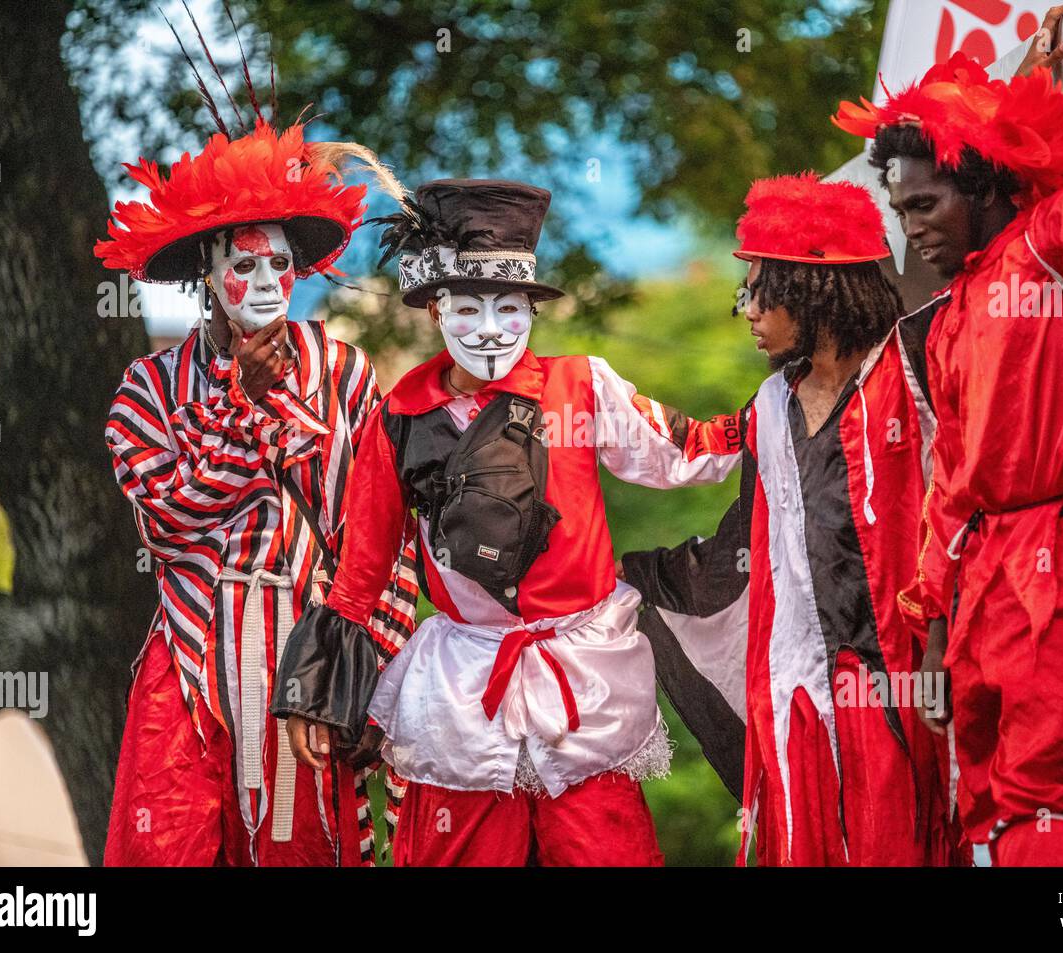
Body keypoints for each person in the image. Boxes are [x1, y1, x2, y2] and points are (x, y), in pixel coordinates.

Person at [833, 0, 1063, 866]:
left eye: (925, 202)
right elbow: (951, 486)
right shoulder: (957, 307)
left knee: (1060, 789)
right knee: (992, 805)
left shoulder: (1059, 235)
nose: (911, 225)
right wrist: (932, 639)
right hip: (980, 586)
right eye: (900, 209)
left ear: (981, 183)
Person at [272, 178, 745, 866]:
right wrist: (310, 692)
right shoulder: (398, 420)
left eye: (509, 306)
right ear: (437, 312)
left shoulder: (581, 386)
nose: (490, 327)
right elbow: (362, 570)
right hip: (465, 684)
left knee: (603, 851)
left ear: (531, 310)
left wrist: (785, 407)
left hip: (582, 674)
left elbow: (682, 452)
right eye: (469, 308)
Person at [94, 24, 407, 863]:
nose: (264, 285)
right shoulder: (145, 391)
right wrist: (239, 405)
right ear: (209, 272)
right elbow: (165, 522)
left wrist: (378, 667)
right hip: (192, 657)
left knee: (303, 845)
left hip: (308, 656)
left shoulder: (345, 373)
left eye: (277, 267)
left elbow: (382, 532)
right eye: (243, 266)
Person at [622, 172, 958, 866]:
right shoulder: (771, 405)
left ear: (810, 289)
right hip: (799, 689)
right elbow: (690, 455)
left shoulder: (920, 367)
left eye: (755, 291)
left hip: (910, 680)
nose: (745, 310)